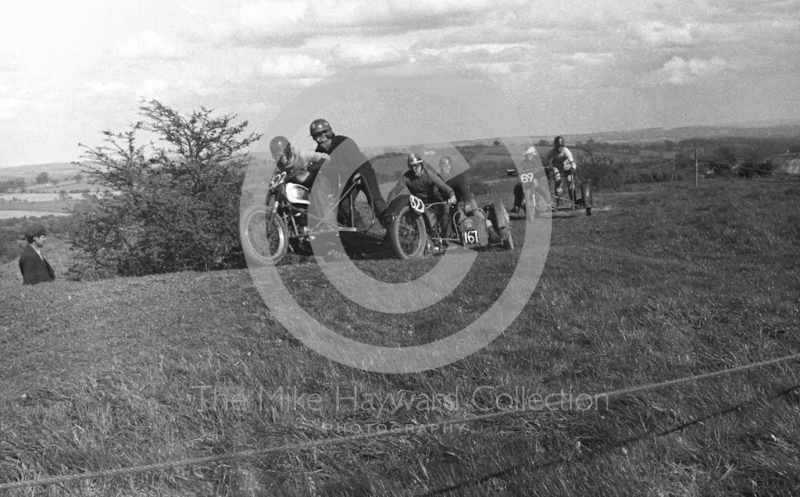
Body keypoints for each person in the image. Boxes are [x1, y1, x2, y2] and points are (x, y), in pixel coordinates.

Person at [309, 119, 389, 228]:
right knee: (344, 206)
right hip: (348, 180)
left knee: (375, 201)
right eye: (316, 139)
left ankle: (393, 230)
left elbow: (361, 161)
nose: (320, 143)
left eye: (322, 140)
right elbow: (320, 167)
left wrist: (359, 173)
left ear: (328, 134)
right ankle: (360, 233)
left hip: (363, 172)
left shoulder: (343, 143)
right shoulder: (320, 151)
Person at [511, 146, 549, 215]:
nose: (528, 156)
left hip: (538, 177)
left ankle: (548, 203)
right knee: (518, 187)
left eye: (529, 154)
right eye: (526, 155)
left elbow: (540, 167)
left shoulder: (537, 160)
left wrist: (538, 170)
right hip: (527, 180)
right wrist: (514, 171)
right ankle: (516, 206)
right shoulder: (524, 162)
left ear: (532, 153)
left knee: (542, 186)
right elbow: (519, 168)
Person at [543, 135, 578, 208]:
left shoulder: (566, 151)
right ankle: (559, 202)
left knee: (570, 182)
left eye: (561, 146)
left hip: (567, 166)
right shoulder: (552, 151)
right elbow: (546, 160)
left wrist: (573, 168)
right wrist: (544, 166)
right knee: (558, 183)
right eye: (558, 146)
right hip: (557, 167)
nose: (559, 148)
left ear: (563, 146)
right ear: (555, 146)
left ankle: (574, 201)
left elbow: (573, 162)